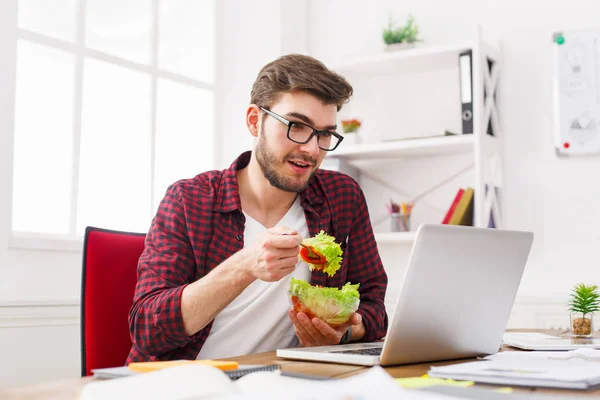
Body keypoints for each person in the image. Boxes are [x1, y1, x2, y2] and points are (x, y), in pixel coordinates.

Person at [127, 54, 388, 363]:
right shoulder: (188, 200)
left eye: (325, 133)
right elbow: (147, 328)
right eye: (297, 126)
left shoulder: (342, 198)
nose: (312, 149)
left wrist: (347, 329)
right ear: (255, 120)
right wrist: (245, 265)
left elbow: (373, 305)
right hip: (189, 383)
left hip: (286, 382)